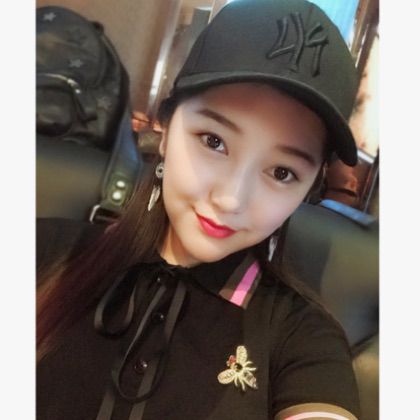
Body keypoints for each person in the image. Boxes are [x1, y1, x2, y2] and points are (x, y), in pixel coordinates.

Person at [37, 0, 362, 419]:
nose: (231, 199)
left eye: (282, 172)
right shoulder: (44, 252)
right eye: (214, 141)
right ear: (166, 128)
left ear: (309, 188)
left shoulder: (303, 339)